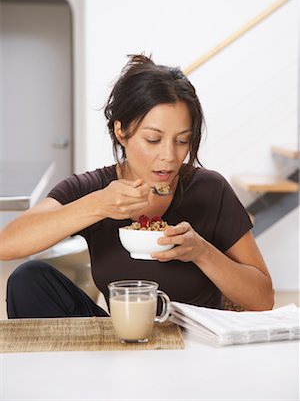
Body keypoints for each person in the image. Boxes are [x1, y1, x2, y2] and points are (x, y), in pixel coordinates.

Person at [0, 54, 274, 318]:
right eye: (153, 139)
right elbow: (6, 244)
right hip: (123, 340)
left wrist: (202, 253)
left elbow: (263, 299)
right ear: (121, 131)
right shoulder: (96, 188)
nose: (169, 156)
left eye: (182, 141)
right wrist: (97, 205)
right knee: (28, 280)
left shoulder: (209, 189)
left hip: (194, 348)